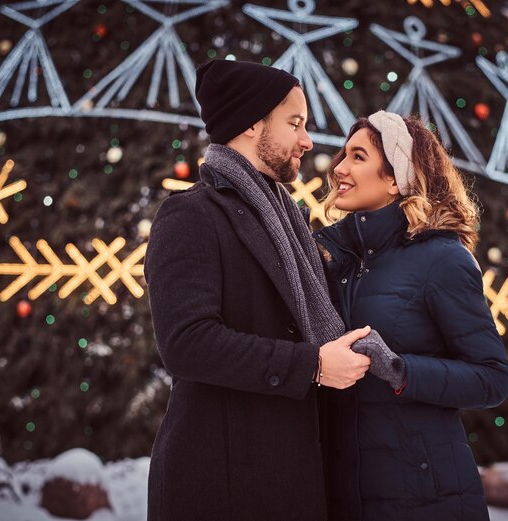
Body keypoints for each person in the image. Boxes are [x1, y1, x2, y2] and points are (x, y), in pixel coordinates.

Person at [144, 59, 373, 521]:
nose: (307, 141)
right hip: (223, 485)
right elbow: (186, 344)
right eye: (295, 123)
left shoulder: (289, 222)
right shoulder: (191, 215)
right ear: (251, 123)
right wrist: (311, 365)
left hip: (291, 480)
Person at [313, 110, 508, 521]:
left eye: (358, 156)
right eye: (342, 156)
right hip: (347, 497)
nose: (339, 168)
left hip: (427, 500)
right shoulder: (334, 262)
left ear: (395, 178)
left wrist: (401, 371)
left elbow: (493, 378)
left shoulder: (442, 259)